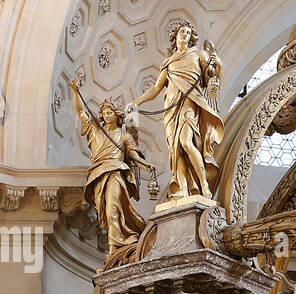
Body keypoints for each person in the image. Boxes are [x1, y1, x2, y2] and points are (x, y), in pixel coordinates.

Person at [131, 19, 223, 199]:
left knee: (186, 142)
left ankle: (204, 185)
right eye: (182, 31)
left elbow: (213, 75)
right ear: (176, 35)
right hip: (171, 108)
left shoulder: (198, 54)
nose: (184, 34)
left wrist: (215, 63)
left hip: (190, 103)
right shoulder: (169, 61)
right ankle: (182, 188)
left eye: (188, 33)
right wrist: (138, 101)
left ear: (191, 38)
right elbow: (157, 88)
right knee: (176, 149)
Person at [70, 79, 150, 265]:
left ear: (117, 115)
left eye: (109, 112)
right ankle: (116, 246)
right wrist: (75, 91)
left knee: (113, 209)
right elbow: (81, 111)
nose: (106, 115)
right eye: (104, 113)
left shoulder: (124, 135)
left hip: (115, 173)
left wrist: (146, 166)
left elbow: (133, 155)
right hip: (98, 175)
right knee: (106, 214)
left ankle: (114, 249)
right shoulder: (94, 131)